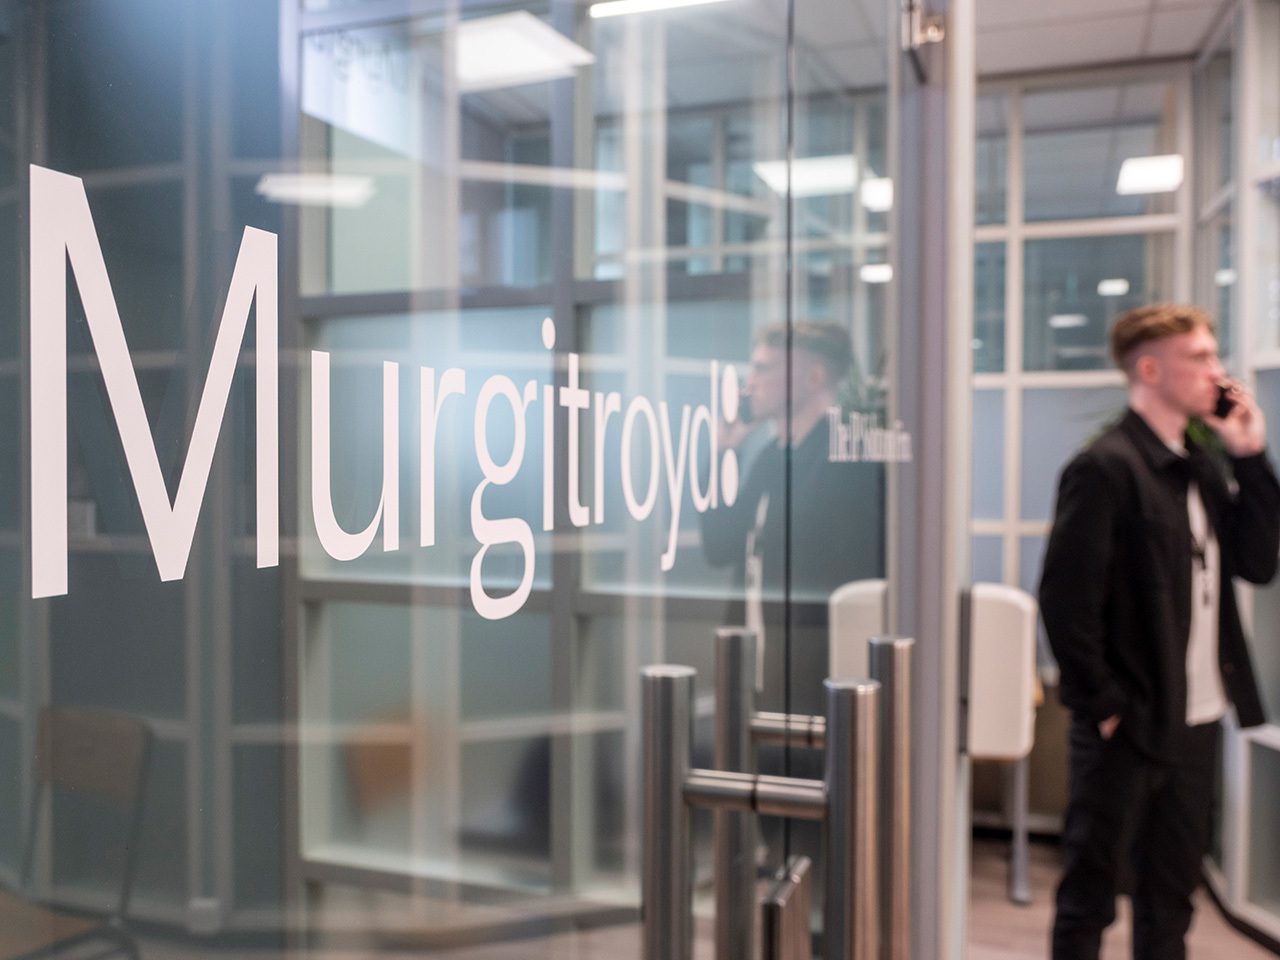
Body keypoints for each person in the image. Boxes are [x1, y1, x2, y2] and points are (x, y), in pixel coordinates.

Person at [1039, 304, 1280, 960]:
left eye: (1214, 356)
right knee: (1090, 895)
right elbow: (1066, 605)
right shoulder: (1106, 467)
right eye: (1200, 358)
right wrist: (1107, 708)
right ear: (1150, 368)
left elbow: (1258, 562)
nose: (1217, 371)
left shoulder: (1197, 464)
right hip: (1129, 725)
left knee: (1170, 897)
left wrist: (1250, 455)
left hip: (1198, 719)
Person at [700, 321, 884, 716]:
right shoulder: (773, 456)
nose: (750, 382)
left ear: (814, 377)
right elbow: (718, 547)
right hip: (760, 672)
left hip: (819, 680)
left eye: (764, 369)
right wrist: (724, 452)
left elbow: (849, 575)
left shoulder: (847, 456)